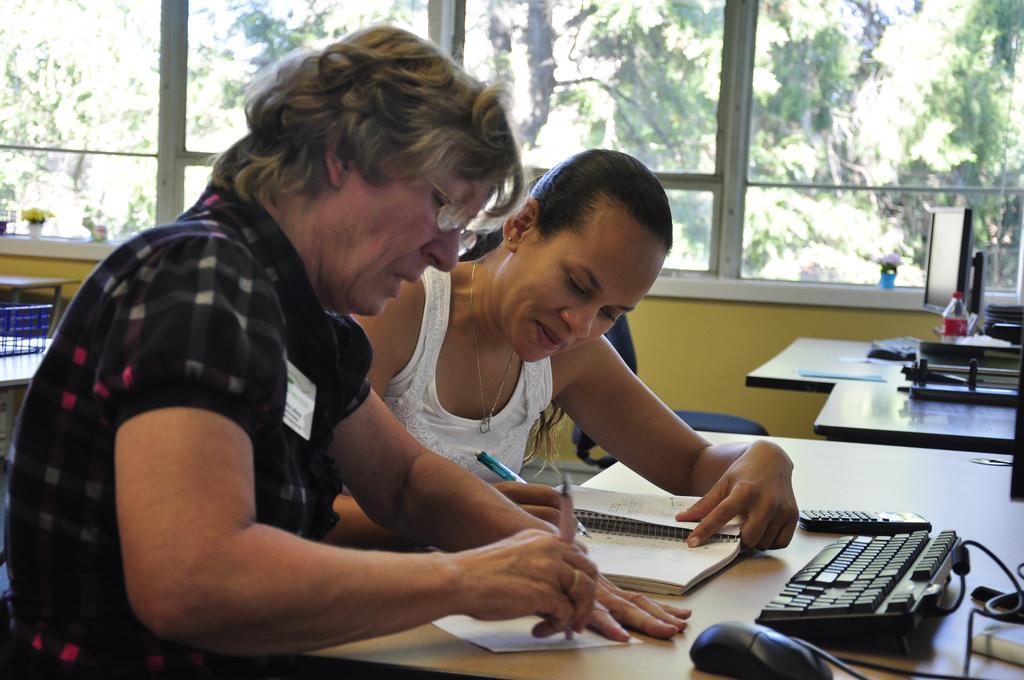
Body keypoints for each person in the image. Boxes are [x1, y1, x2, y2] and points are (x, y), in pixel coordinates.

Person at [1, 29, 683, 678]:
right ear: (343, 158)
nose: (450, 252)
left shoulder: (306, 320)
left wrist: (561, 564)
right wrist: (465, 580)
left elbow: (406, 483)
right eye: (445, 209)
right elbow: (193, 583)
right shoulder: (200, 281)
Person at [338, 148, 799, 555]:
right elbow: (306, 510)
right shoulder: (400, 306)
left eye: (611, 314)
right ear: (521, 226)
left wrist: (762, 458)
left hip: (477, 601)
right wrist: (470, 519)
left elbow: (691, 464)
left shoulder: (573, 352)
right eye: (577, 286)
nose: (580, 326)